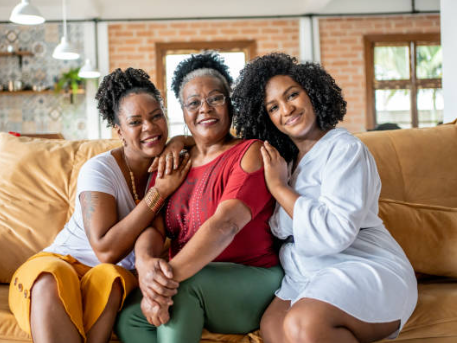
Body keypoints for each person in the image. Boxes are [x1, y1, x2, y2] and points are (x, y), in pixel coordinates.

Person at [231, 53, 418, 343]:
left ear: (312, 92)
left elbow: (335, 233)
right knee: (273, 329)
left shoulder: (344, 149)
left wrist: (280, 188)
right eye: (273, 107)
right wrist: (182, 141)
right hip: (304, 274)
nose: (287, 109)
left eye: (292, 94)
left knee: (303, 324)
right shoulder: (286, 162)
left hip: (362, 263)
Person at [8, 68, 191, 343]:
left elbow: (209, 141)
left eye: (156, 117)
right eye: (135, 122)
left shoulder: (174, 163)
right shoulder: (100, 169)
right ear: (119, 131)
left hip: (108, 279)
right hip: (59, 266)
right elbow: (106, 249)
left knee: (112, 278)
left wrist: (181, 140)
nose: (150, 128)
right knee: (52, 276)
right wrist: (159, 193)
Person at [115, 52, 283, 343]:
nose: (204, 109)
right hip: (190, 277)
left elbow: (225, 224)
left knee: (181, 290)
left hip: (253, 278)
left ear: (230, 104)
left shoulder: (250, 153)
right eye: (193, 102)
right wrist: (144, 266)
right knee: (130, 317)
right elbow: (155, 230)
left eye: (215, 98)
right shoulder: (173, 161)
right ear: (183, 111)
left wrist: (164, 283)